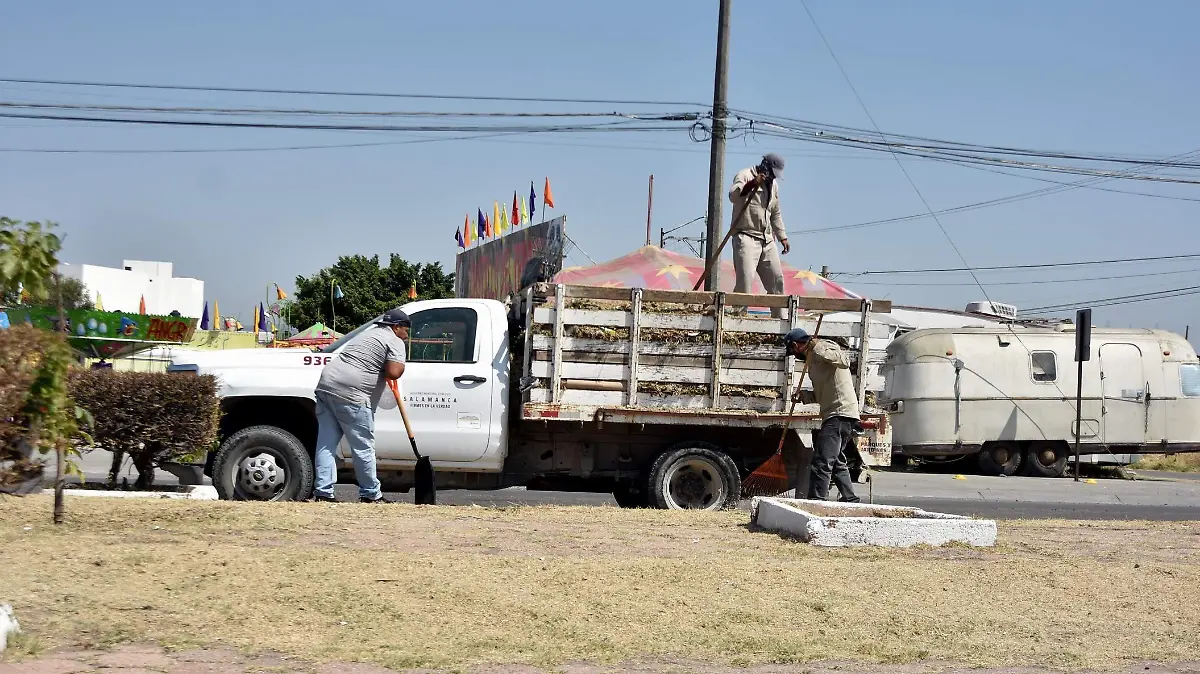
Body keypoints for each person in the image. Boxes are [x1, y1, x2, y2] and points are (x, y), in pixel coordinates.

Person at [311, 308, 410, 503]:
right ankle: (371, 494)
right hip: (352, 394)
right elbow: (394, 371)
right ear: (396, 327)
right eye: (406, 330)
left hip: (326, 385)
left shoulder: (368, 334)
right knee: (363, 446)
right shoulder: (394, 340)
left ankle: (323, 492)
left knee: (326, 443)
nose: (407, 335)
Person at [783, 327, 861, 502]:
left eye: (794, 351)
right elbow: (823, 392)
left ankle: (817, 501)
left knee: (822, 461)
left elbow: (844, 361)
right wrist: (804, 396)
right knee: (836, 461)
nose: (795, 356)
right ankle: (850, 499)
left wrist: (816, 346)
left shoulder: (825, 347)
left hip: (840, 413)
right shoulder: (812, 362)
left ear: (797, 345)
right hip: (835, 414)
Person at [728, 153, 789, 315]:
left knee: (777, 281)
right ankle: (737, 319)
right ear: (765, 167)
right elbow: (733, 196)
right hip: (746, 236)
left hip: (767, 239)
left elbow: (775, 212)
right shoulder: (745, 175)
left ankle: (780, 323)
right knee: (745, 282)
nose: (773, 178)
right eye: (772, 174)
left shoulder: (774, 186)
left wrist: (782, 236)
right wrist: (752, 184)